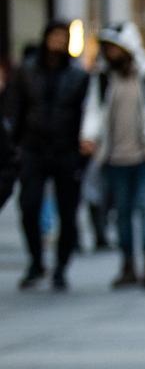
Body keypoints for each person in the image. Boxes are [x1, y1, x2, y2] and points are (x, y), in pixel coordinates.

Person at [78, 23, 145, 290]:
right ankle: (128, 265)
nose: (110, 53)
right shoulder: (103, 77)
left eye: (115, 48)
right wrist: (89, 136)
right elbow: (94, 110)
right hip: (115, 157)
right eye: (107, 49)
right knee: (122, 213)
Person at [3, 21, 88, 289]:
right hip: (32, 148)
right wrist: (12, 148)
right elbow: (13, 111)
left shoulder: (78, 75)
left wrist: (83, 148)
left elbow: (85, 114)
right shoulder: (26, 71)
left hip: (66, 150)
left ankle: (61, 265)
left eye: (63, 38)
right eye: (54, 36)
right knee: (29, 206)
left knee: (68, 211)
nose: (58, 42)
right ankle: (36, 261)